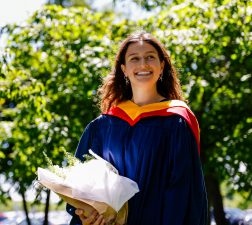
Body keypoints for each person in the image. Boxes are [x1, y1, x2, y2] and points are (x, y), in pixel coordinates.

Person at [66, 31, 208, 225]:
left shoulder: (177, 122)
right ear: (123, 68)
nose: (143, 64)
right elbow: (81, 186)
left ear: (162, 66)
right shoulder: (103, 126)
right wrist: (85, 214)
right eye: (135, 58)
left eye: (150, 57)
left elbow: (183, 192)